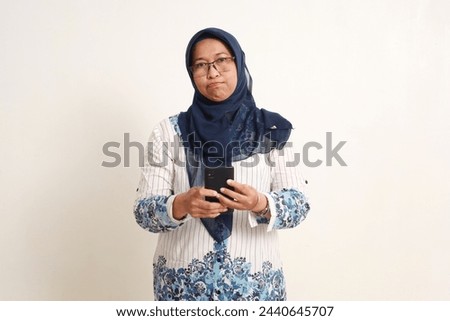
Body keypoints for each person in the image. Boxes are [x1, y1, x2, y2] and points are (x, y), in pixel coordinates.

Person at [134, 27, 310, 301]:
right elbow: (143, 212)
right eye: (201, 65)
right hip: (182, 289)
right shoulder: (168, 132)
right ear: (191, 73)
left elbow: (299, 205)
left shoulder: (271, 130)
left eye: (221, 61)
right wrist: (181, 205)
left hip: (256, 289)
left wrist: (259, 203)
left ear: (239, 63)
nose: (212, 73)